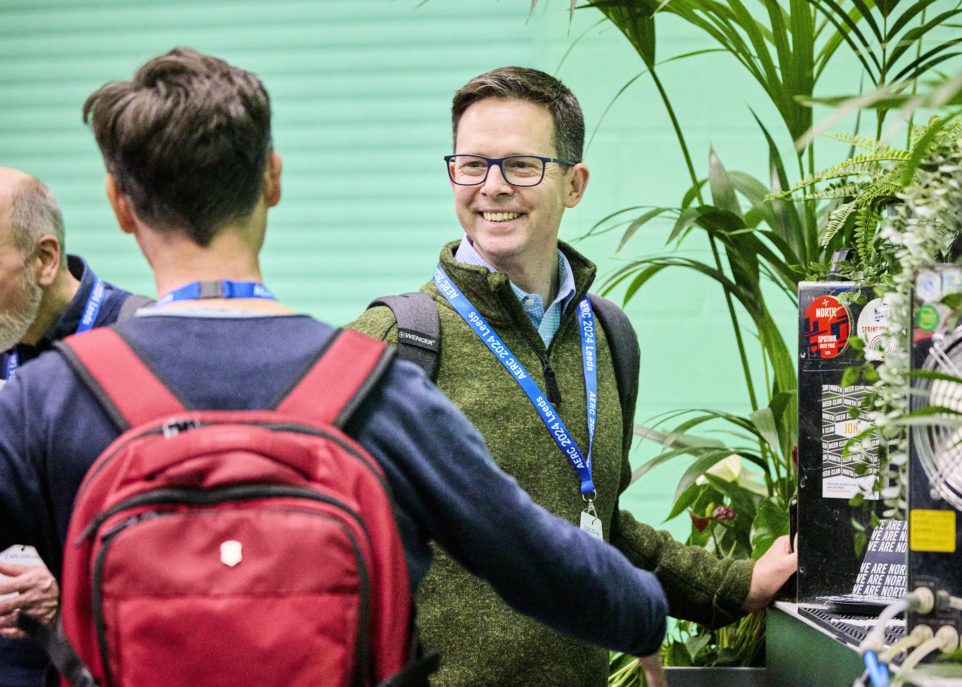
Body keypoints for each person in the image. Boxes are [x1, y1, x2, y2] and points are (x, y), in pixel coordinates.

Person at [0, 48, 671, 684]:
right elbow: (533, 553)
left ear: (120, 205)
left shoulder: (44, 400)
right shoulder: (375, 389)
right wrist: (642, 612)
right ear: (273, 179)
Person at [349, 66, 798, 687]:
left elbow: (599, 523)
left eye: (521, 166)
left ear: (575, 182)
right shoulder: (395, 342)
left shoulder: (608, 337)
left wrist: (737, 584)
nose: (492, 187)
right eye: (472, 164)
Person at [0, 168, 149, 687]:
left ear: (43, 260)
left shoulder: (144, 341)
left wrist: (69, 585)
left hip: (98, 661)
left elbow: (184, 536)